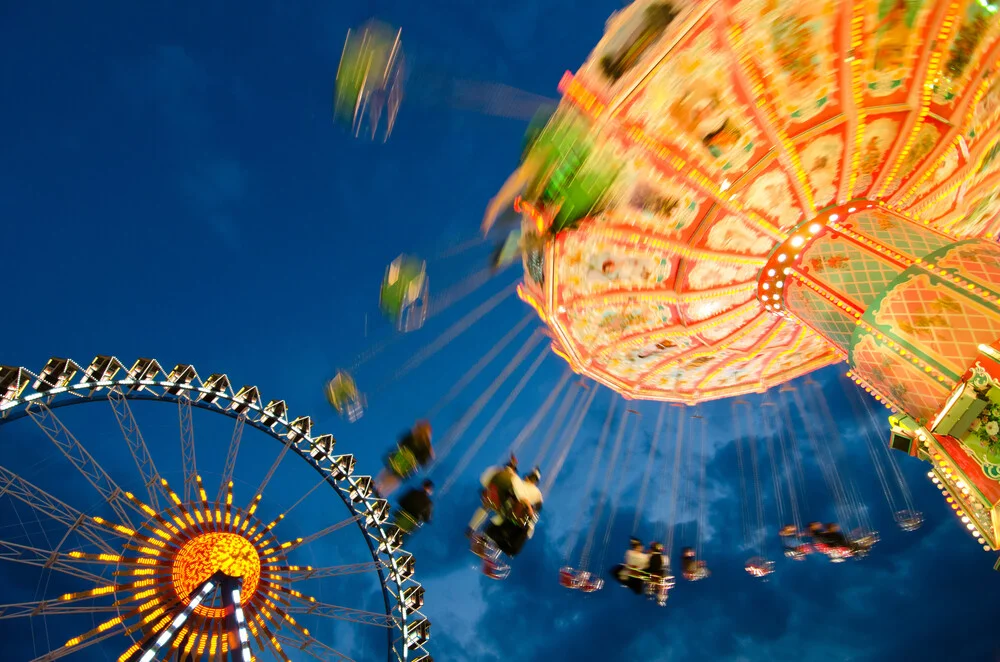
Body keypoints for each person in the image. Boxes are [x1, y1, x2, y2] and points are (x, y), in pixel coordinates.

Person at [375, 421, 434, 497]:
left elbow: (400, 442)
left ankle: (374, 487)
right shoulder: (425, 446)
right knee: (390, 481)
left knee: (385, 476)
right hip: (405, 467)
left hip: (398, 460)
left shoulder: (412, 436)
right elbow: (423, 462)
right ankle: (380, 493)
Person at [466, 456, 519, 537]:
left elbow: (483, 480)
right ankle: (487, 536)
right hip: (499, 503)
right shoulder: (515, 479)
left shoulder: (495, 470)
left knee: (485, 508)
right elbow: (516, 495)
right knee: (504, 517)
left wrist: (488, 488)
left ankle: (471, 528)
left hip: (488, 496)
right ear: (514, 470)